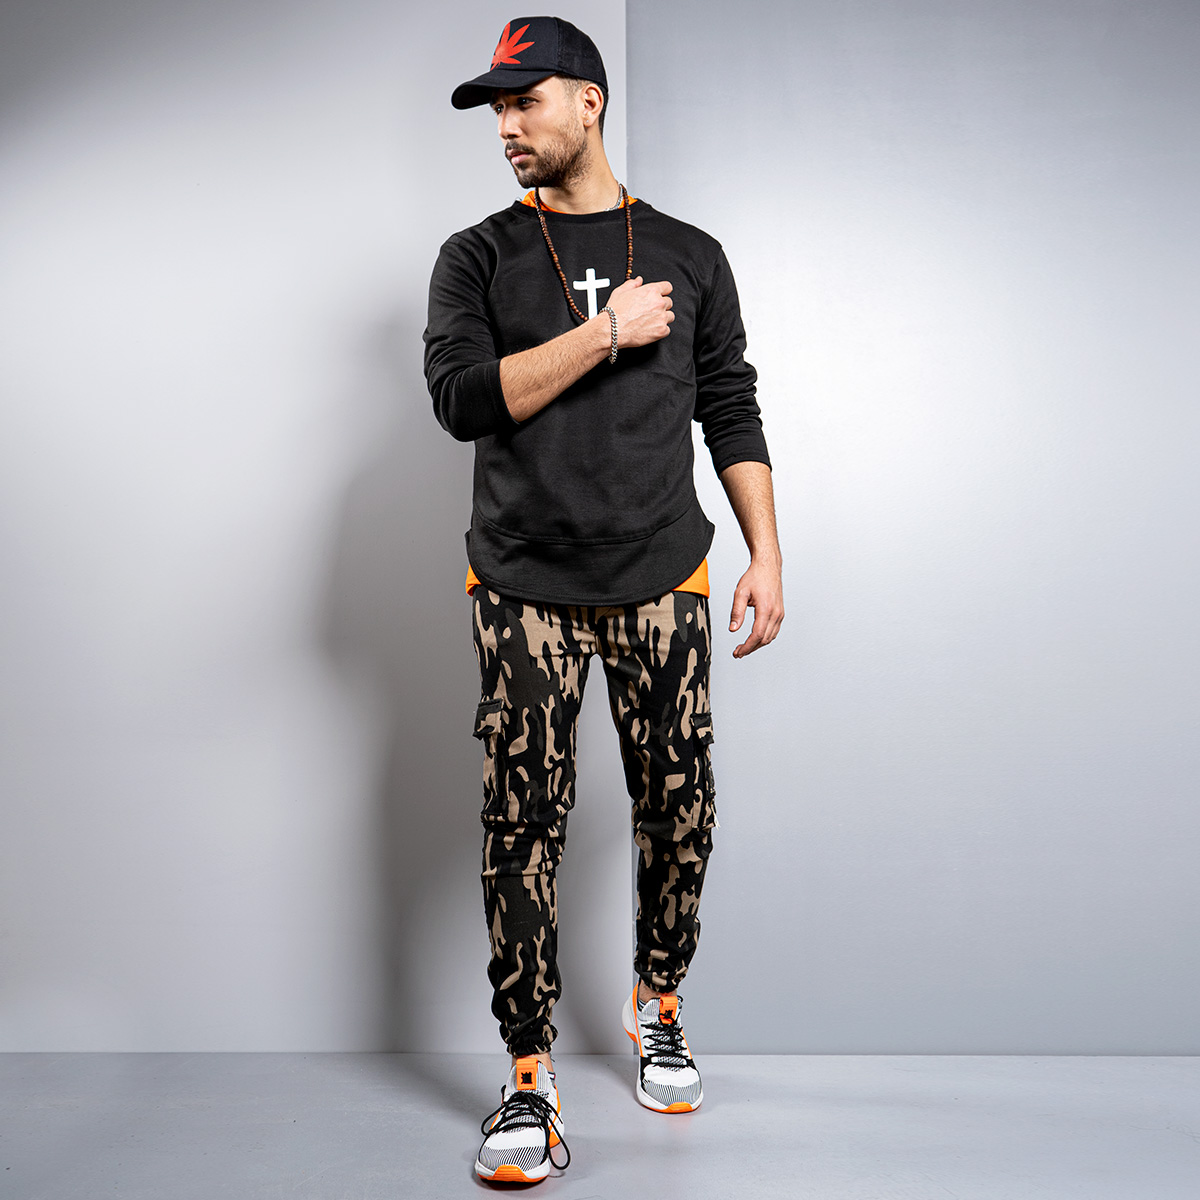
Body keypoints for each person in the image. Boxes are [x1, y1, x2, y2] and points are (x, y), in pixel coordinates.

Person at [423, 15, 784, 1185]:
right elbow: (463, 400)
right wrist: (603, 334)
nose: (506, 127)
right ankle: (528, 1076)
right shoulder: (476, 257)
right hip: (522, 581)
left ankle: (657, 997)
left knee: (681, 809)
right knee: (522, 826)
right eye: (495, 109)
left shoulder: (690, 252)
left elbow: (729, 402)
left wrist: (766, 552)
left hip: (663, 573)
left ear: (588, 101)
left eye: (523, 101)